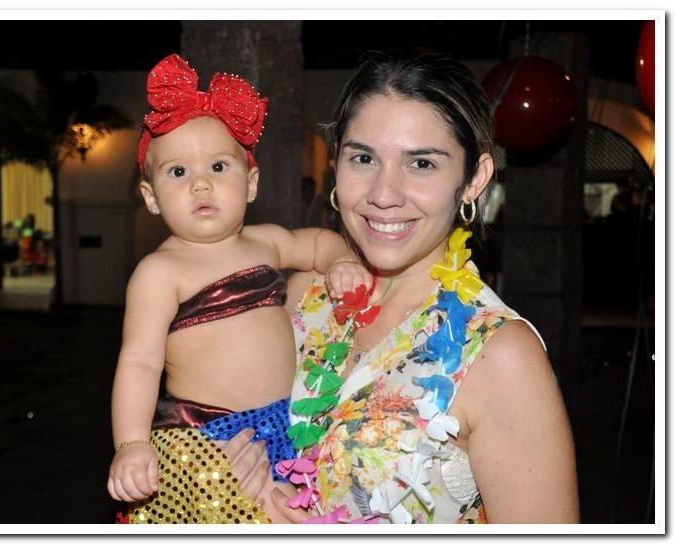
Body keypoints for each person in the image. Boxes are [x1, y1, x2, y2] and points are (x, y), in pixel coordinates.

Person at [224, 50, 579, 524]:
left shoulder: (500, 355)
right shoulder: (305, 296)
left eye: (422, 164)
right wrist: (228, 480)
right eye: (363, 158)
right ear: (335, 162)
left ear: (474, 179)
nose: (384, 195)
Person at [107, 53, 371, 524]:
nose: (201, 184)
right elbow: (140, 361)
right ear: (150, 197)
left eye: (218, 166)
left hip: (282, 425)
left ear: (251, 184)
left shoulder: (264, 242)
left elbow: (316, 243)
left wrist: (342, 262)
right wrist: (131, 442)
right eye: (178, 172)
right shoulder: (160, 271)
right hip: (206, 439)